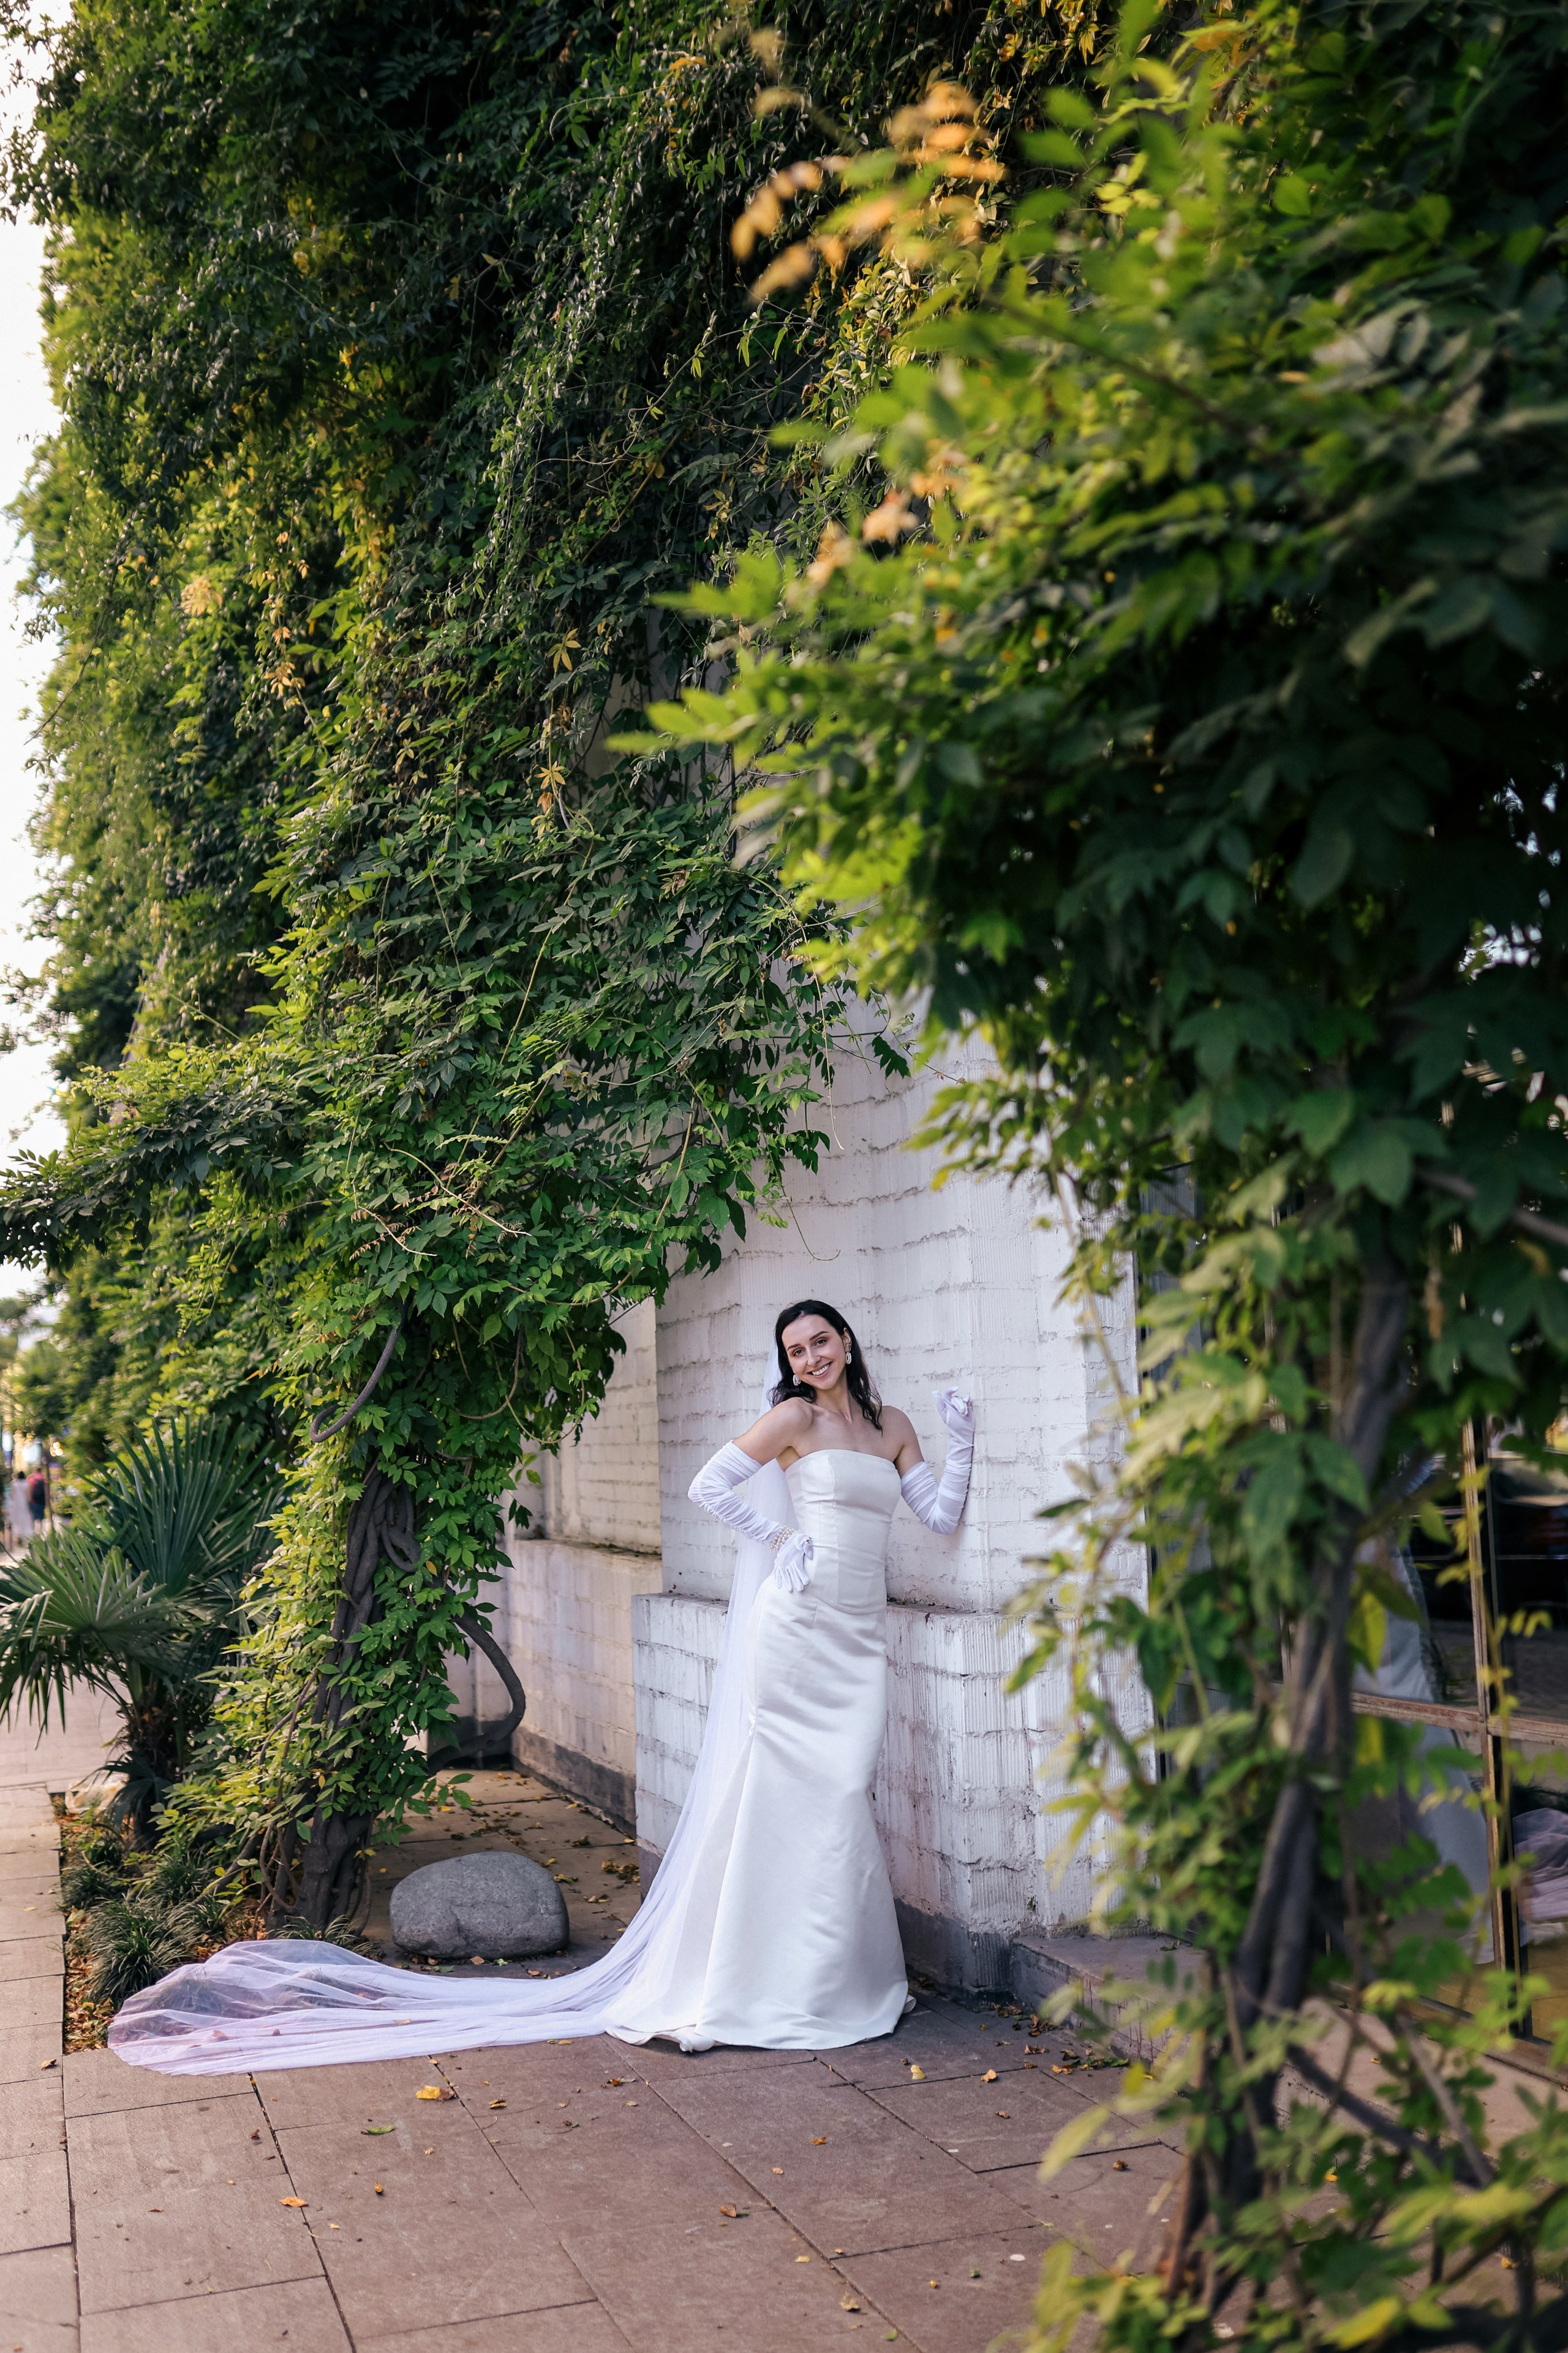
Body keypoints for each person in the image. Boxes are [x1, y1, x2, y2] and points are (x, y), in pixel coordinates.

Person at [107, 1299, 975, 2074]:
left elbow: (935, 1515)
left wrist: (962, 1444)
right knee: (801, 1798)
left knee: (841, 1792)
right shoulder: (791, 1419)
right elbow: (712, 1485)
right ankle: (778, 1985)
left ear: (848, 1340)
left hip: (858, 1640)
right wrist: (781, 1542)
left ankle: (845, 1979)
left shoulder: (890, 1422)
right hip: (797, 1631)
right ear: (786, 1363)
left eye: (821, 1340)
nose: (812, 1356)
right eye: (796, 1348)